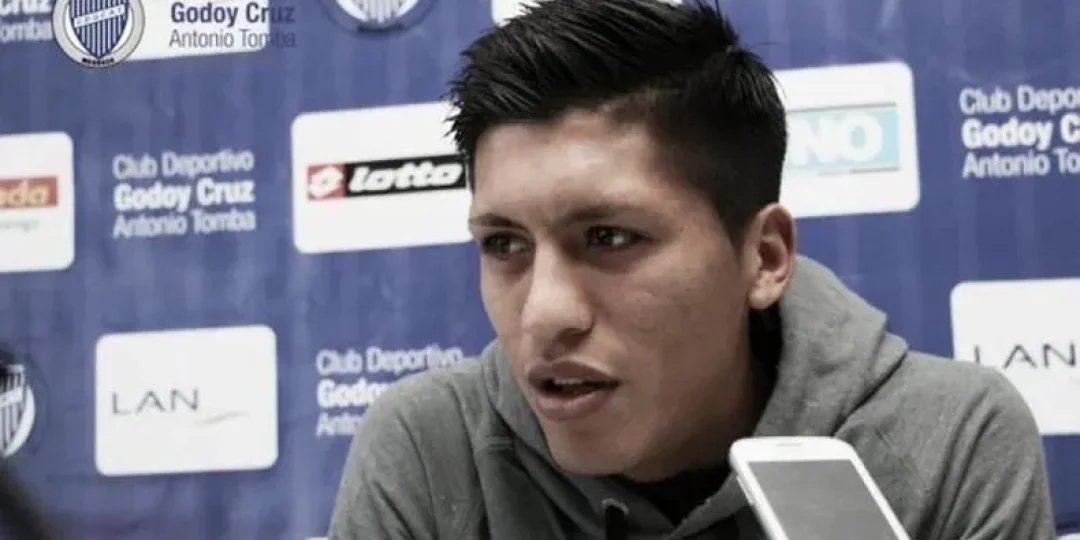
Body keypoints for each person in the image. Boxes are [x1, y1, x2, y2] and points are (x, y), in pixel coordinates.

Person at [329, 0, 1058, 538]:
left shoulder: (950, 439)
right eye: (504, 244)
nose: (543, 315)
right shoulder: (429, 447)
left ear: (764, 257)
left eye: (609, 237)